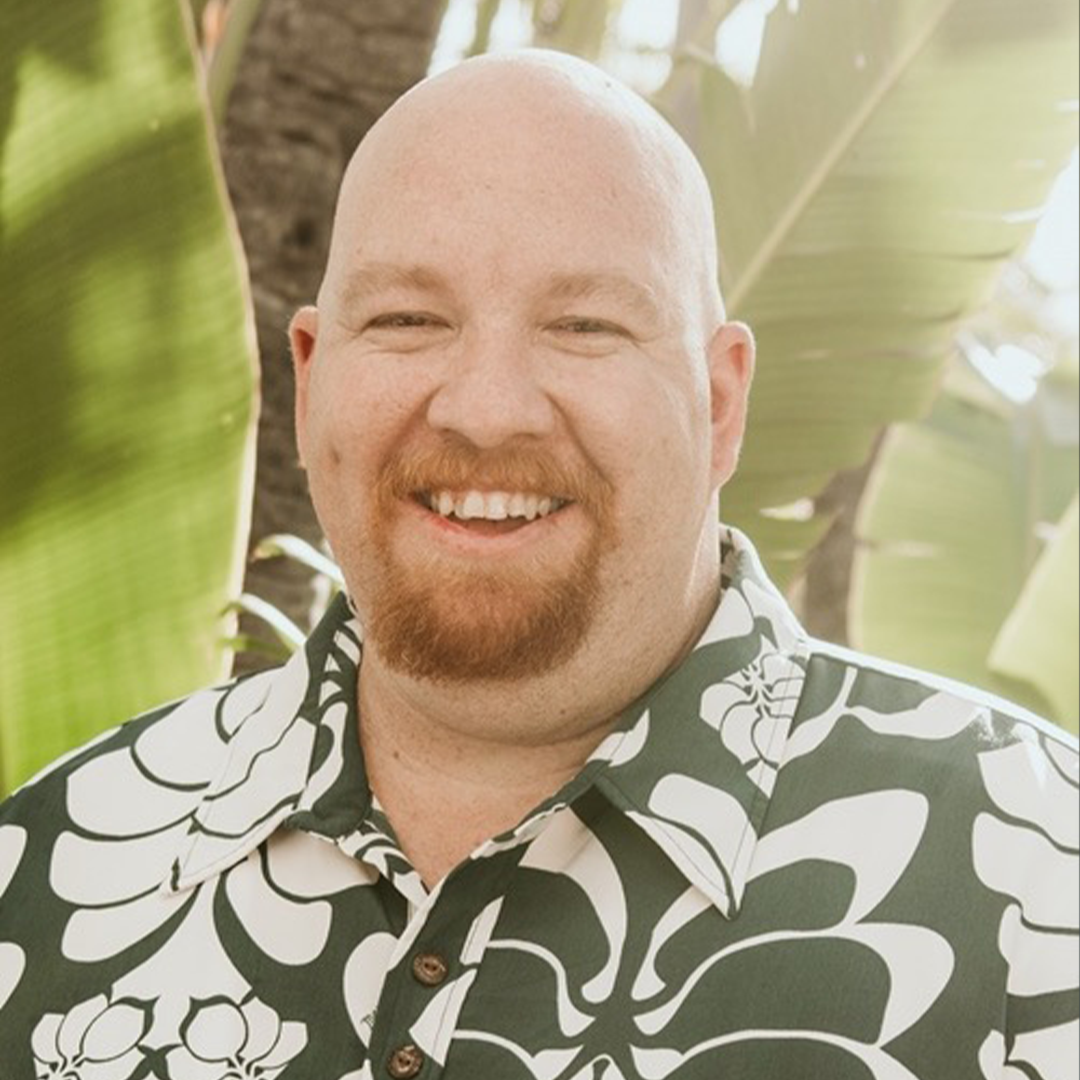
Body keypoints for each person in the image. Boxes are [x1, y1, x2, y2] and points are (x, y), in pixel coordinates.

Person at [0, 49, 1076, 1080]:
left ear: (719, 403)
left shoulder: (1038, 886)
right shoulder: (46, 870)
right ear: (313, 380)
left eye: (584, 326)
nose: (486, 409)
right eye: (409, 318)